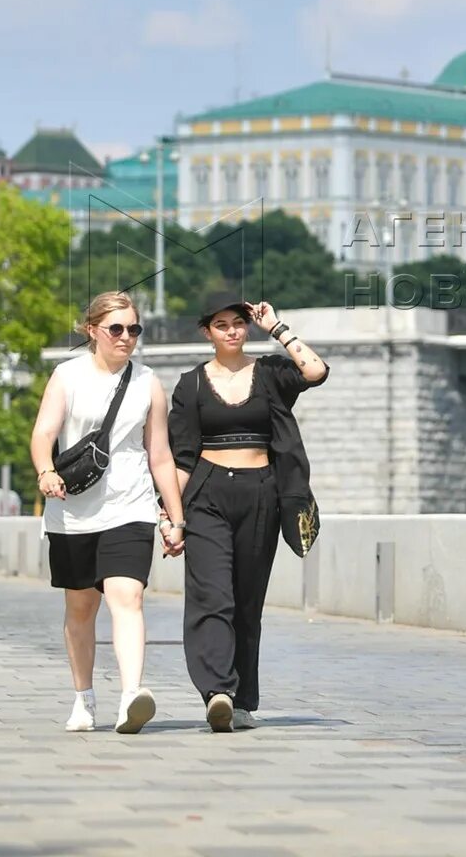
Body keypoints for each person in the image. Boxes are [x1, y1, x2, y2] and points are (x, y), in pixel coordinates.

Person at [28, 291, 188, 735]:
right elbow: (44, 433)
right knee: (81, 608)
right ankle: (83, 699)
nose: (126, 337)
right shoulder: (67, 376)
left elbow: (160, 455)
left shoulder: (148, 383)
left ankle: (131, 695)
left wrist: (175, 517)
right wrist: (46, 471)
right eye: (116, 328)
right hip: (73, 513)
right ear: (92, 330)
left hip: (130, 507)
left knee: (127, 597)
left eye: (134, 329)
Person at [169, 291, 328, 732]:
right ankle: (217, 690)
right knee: (212, 596)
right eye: (221, 325)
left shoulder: (272, 373)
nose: (232, 331)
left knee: (246, 602)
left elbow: (315, 371)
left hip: (261, 493)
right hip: (206, 494)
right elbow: (182, 457)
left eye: (238, 323)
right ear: (207, 332)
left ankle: (241, 700)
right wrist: (171, 516)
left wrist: (275, 327)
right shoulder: (191, 385)